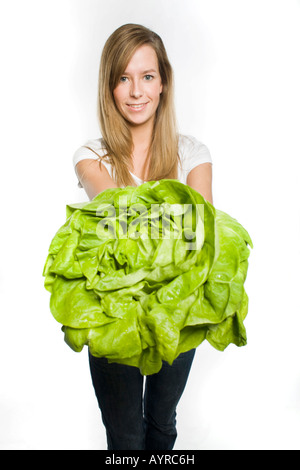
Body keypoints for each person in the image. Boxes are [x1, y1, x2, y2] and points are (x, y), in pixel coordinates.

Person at [72, 23, 213, 450]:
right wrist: (175, 221)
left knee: (162, 425)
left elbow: (202, 237)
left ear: (163, 83)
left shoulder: (193, 153)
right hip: (113, 313)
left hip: (178, 310)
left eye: (147, 76)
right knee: (126, 437)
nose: (136, 92)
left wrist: (171, 232)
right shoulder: (91, 156)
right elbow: (120, 209)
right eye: (123, 78)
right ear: (109, 87)